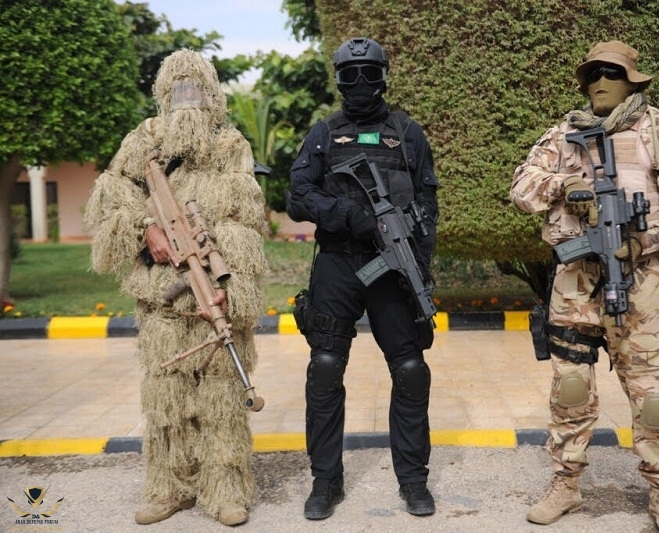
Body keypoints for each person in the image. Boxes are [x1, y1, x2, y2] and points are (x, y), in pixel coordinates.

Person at [510, 41, 659, 532]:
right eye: (593, 73)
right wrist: (563, 185)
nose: (599, 81)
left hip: (639, 283)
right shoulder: (563, 135)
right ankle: (567, 484)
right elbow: (521, 187)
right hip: (575, 283)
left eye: (611, 72)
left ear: (632, 81)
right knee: (571, 390)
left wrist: (642, 240)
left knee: (654, 397)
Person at [84, 49, 268, 526]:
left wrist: (228, 284)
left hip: (213, 284)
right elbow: (112, 194)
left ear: (212, 95)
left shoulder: (230, 144)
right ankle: (170, 488)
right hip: (161, 294)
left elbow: (244, 223)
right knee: (167, 398)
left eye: (196, 88)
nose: (188, 97)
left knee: (222, 401)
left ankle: (224, 491)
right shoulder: (144, 137)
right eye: (178, 87)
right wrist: (147, 228)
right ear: (164, 93)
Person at [286, 37, 439, 520]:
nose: (359, 83)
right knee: (325, 367)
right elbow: (297, 196)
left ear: (383, 77)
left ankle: (413, 481)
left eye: (368, 73)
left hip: (394, 266)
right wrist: (348, 215)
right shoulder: (324, 134)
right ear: (338, 80)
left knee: (410, 370)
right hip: (339, 262)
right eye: (350, 75)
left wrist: (418, 264)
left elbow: (428, 203)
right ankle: (325, 481)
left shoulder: (407, 132)